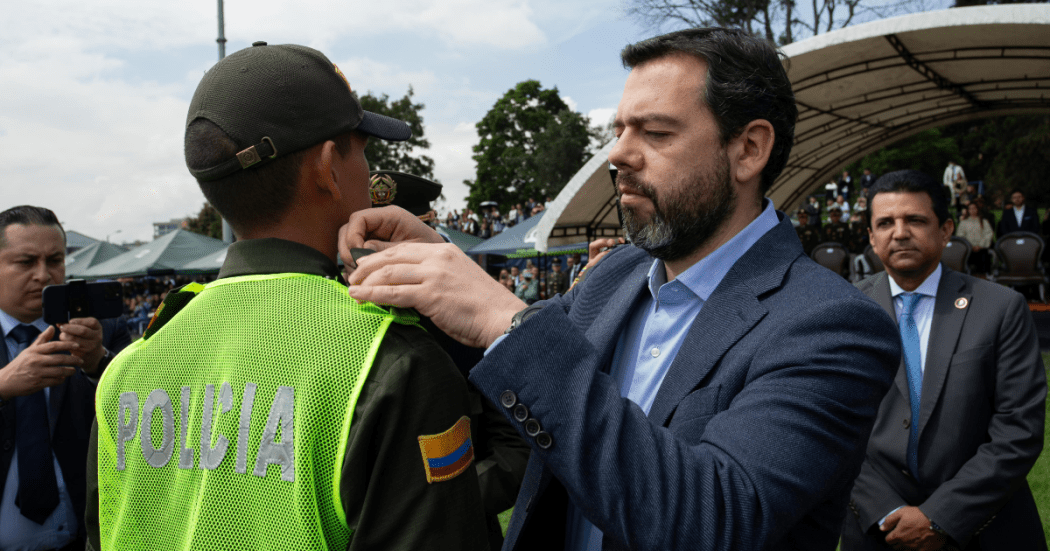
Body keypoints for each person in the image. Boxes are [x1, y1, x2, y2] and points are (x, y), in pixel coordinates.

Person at [340, 27, 901, 550]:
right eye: (619, 130)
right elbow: (515, 369)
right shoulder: (617, 274)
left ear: (749, 149)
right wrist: (437, 268)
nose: (617, 155)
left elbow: (714, 518)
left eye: (656, 133)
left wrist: (505, 319)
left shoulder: (831, 326)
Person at [87, 42, 502, 551]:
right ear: (329, 166)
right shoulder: (391, 362)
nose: (369, 171)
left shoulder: (129, 368)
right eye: (363, 150)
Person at [844, 169, 1047, 551]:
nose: (900, 232)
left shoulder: (1001, 308)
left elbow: (1019, 429)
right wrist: (885, 510)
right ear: (871, 237)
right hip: (877, 530)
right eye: (885, 222)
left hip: (985, 531)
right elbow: (830, 428)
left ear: (946, 229)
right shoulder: (842, 311)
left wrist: (941, 515)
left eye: (916, 220)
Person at [0, 205, 130, 551]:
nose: (44, 275)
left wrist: (97, 363)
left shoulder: (102, 330)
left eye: (55, 260)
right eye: (26, 262)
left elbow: (142, 415)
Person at [955, 202, 994, 274]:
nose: (972, 210)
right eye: (970, 209)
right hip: (969, 250)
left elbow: (988, 234)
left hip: (982, 249)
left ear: (977, 209)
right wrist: (970, 246)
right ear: (968, 210)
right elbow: (960, 235)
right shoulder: (964, 222)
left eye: (974, 208)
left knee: (984, 264)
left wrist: (980, 245)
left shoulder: (984, 221)